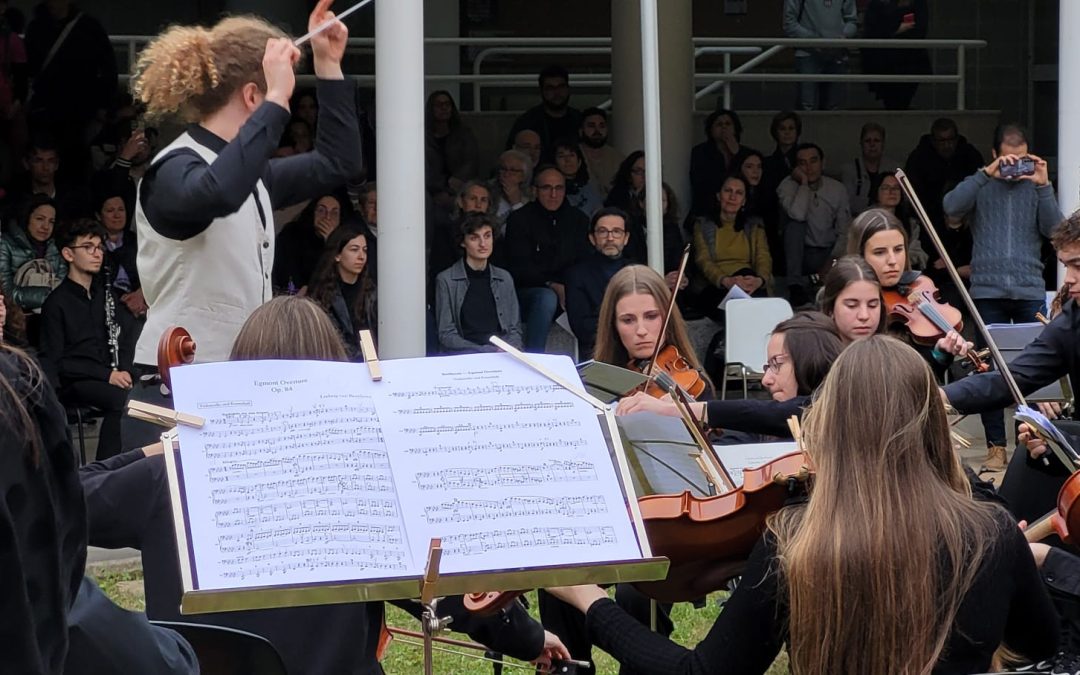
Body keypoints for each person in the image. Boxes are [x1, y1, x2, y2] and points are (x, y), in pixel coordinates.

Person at [80, 295, 568, 675]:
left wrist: (162, 447)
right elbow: (447, 593)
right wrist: (528, 638)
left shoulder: (172, 472)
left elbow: (65, 494)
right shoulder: (367, 478)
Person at [555, 335, 1060, 675]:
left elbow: (701, 672)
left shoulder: (796, 540)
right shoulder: (993, 532)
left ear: (830, 424)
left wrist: (589, 599)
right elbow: (1038, 642)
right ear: (933, 421)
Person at [130, 2, 362, 368]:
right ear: (253, 96)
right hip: (176, 380)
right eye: (275, 97)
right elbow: (217, 192)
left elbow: (339, 162)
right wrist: (275, 101)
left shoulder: (254, 175)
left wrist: (328, 66)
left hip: (241, 377)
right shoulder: (173, 168)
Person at [943, 122, 1062, 472]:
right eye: (1009, 160)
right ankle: (996, 446)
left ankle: (1031, 444)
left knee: (1036, 370)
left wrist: (1044, 185)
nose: (1015, 167)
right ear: (995, 155)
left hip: (1028, 288)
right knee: (989, 369)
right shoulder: (982, 184)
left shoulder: (1035, 188)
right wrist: (985, 174)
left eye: (1022, 159)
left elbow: (1056, 233)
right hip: (988, 290)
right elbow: (951, 205)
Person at [618, 311, 842, 439]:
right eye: (767, 367)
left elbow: (780, 412)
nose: (766, 380)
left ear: (810, 360)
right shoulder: (766, 434)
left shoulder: (834, 412)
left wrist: (677, 409)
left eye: (777, 364)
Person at [40, 219, 134, 460]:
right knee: (124, 401)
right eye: (88, 247)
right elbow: (57, 361)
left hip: (109, 379)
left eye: (99, 247)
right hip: (75, 383)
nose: (97, 254)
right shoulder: (56, 303)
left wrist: (123, 370)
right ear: (68, 254)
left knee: (144, 395)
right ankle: (106, 468)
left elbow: (124, 339)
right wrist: (107, 375)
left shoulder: (107, 295)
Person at [846, 208, 971, 379]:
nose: (892, 261)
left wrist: (940, 353)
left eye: (898, 250)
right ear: (860, 256)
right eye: (880, 252)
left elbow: (925, 373)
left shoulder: (916, 290)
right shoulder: (844, 301)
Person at [504, 165, 590, 352]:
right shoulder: (520, 219)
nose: (553, 194)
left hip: (570, 291)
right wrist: (551, 284)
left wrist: (569, 287)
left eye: (559, 188)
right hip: (529, 294)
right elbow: (518, 268)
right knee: (546, 297)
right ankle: (535, 359)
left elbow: (584, 263)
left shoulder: (578, 220)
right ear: (535, 190)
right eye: (546, 188)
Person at [435, 213, 523, 354]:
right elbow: (446, 334)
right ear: (463, 242)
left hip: (503, 355)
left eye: (487, 236)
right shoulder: (446, 280)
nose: (483, 244)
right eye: (474, 238)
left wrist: (505, 349)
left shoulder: (504, 278)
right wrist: (482, 351)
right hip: (464, 355)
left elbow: (514, 329)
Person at [777, 143, 850, 306]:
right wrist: (803, 184)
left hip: (828, 252)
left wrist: (832, 260)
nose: (808, 167)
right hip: (801, 254)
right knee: (795, 225)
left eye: (813, 161)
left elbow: (844, 231)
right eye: (802, 163)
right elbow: (798, 214)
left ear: (823, 163)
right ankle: (795, 286)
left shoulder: (837, 189)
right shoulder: (787, 185)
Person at [691, 174, 771, 321]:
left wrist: (759, 280)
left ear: (744, 201)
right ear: (718, 195)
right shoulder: (702, 224)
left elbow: (763, 256)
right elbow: (703, 260)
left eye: (739, 193)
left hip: (749, 284)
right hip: (715, 286)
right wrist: (726, 281)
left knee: (749, 279)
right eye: (728, 191)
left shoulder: (754, 225)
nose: (733, 197)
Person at [564, 207, 635, 360]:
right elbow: (582, 328)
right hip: (598, 356)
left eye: (616, 231)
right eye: (603, 231)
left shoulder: (637, 272)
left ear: (626, 238)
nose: (610, 238)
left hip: (635, 354)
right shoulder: (577, 274)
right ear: (592, 238)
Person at [903, 117, 985, 237]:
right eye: (942, 141)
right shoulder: (919, 158)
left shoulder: (970, 155)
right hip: (929, 224)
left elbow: (981, 188)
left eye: (951, 140)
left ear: (957, 139)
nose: (947, 145)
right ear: (933, 140)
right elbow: (913, 195)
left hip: (967, 221)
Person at [308, 224, 376, 359]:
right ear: (337, 255)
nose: (361, 256)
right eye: (354, 249)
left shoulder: (373, 293)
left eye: (365, 250)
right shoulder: (322, 295)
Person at [782, 0, 857, 110]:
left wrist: (843, 37)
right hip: (807, 53)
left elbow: (852, 21)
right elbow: (789, 23)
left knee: (834, 106)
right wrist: (813, 39)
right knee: (807, 105)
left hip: (837, 53)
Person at [0, 193, 66, 317]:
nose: (46, 226)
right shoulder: (5, 244)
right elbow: (7, 293)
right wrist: (49, 295)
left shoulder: (56, 247)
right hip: (15, 319)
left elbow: (64, 290)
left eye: (51, 221)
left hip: (52, 317)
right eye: (40, 219)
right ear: (27, 218)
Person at [272, 190, 350, 294]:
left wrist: (330, 242)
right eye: (321, 210)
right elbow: (285, 272)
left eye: (334, 213)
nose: (327, 217)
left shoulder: (345, 241)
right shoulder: (291, 234)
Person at [862, 0, 930, 110]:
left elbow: (919, 30)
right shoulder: (878, 4)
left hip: (911, 62)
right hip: (883, 63)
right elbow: (871, 31)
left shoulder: (917, 3)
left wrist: (890, 29)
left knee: (904, 100)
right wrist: (896, 29)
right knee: (890, 101)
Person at [505, 65, 582, 162]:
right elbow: (511, 157)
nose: (557, 93)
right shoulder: (527, 122)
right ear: (541, 91)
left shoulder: (579, 120)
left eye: (561, 87)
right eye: (550, 88)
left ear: (568, 89)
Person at [688, 109, 753, 217]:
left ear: (735, 128)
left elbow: (750, 182)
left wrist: (737, 154)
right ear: (711, 130)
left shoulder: (747, 154)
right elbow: (700, 184)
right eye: (719, 124)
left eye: (728, 124)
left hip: (740, 212)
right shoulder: (700, 152)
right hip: (707, 211)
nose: (724, 127)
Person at [425, 89, 478, 208]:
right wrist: (440, 187)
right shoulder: (422, 137)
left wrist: (454, 184)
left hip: (460, 187)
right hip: (431, 191)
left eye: (447, 104)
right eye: (439, 105)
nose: (444, 108)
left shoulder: (464, 134)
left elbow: (471, 161)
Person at [817, 255, 886, 343]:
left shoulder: (893, 353)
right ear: (831, 308)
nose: (864, 316)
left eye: (872, 305)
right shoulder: (811, 354)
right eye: (852, 306)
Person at [866, 172, 928, 269]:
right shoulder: (864, 221)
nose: (892, 192)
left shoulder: (911, 223)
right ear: (876, 192)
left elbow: (916, 252)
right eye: (886, 188)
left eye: (896, 188)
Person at [839, 122, 900, 215]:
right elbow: (847, 204)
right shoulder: (849, 170)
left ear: (883, 144)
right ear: (861, 144)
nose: (872, 145)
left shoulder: (894, 168)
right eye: (868, 141)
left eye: (876, 140)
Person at [578, 107, 623, 198]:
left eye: (601, 126)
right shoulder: (572, 155)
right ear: (581, 130)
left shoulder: (618, 159)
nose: (597, 131)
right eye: (591, 126)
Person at [554, 137, 603, 218]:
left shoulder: (589, 188)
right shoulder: (553, 191)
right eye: (561, 156)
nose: (567, 160)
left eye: (571, 155)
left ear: (579, 161)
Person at [493, 149, 532, 229]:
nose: (507, 174)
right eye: (503, 169)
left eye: (513, 170)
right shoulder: (487, 192)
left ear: (524, 175)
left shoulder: (532, 198)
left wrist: (516, 203)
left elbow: (528, 229)